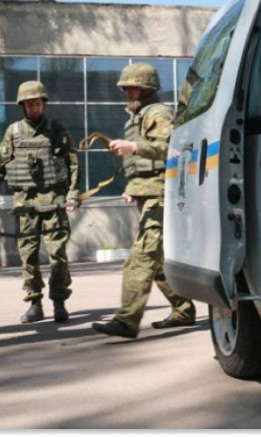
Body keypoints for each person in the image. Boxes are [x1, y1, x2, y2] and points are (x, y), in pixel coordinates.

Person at [92, 63, 195, 339]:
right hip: (147, 193)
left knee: (141, 257)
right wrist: (133, 187)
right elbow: (141, 164)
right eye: (126, 88)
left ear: (147, 89)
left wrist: (133, 147)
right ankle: (183, 310)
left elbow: (169, 149)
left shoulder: (158, 113)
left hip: (160, 195)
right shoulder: (136, 118)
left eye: (133, 88)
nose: (128, 92)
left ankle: (126, 320)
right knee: (158, 260)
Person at [0, 81, 79, 324]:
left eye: (37, 103)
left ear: (43, 104)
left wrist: (72, 194)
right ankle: (35, 303)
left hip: (53, 200)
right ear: (22, 106)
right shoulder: (13, 131)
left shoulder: (55, 128)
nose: (34, 108)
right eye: (29, 104)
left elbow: (72, 162)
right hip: (25, 202)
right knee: (28, 254)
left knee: (57, 253)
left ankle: (59, 302)